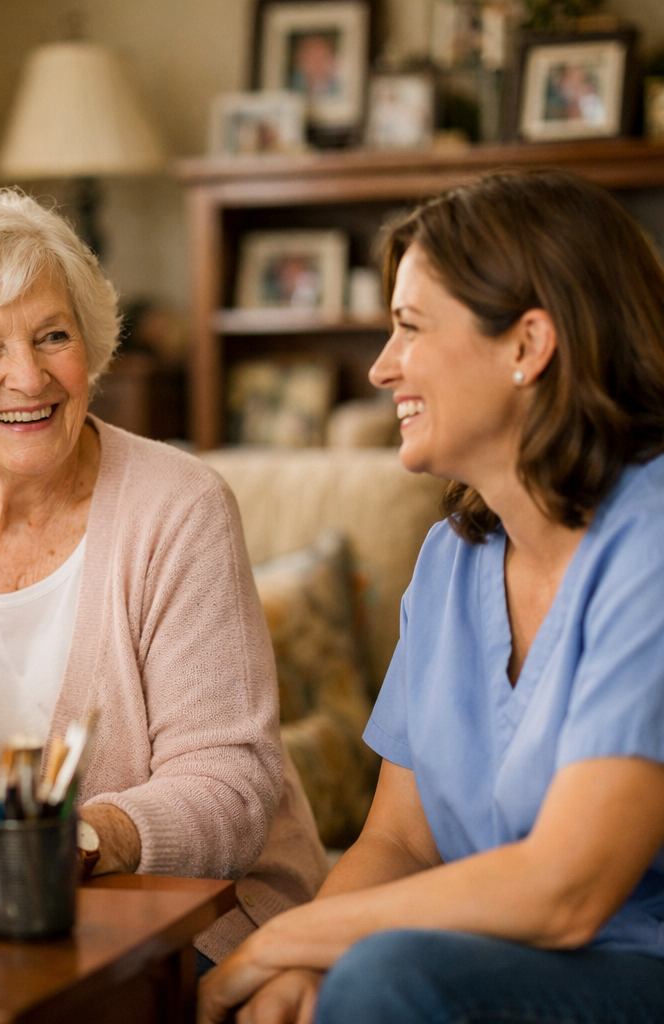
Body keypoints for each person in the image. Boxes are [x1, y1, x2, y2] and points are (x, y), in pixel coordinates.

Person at [0, 189, 327, 966]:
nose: (30, 377)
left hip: (183, 927)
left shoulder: (180, 508)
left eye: (52, 336)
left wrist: (71, 845)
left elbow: (230, 787)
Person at [198, 169, 664, 1022]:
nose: (381, 368)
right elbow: (401, 840)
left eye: (411, 328)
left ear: (528, 345)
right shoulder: (451, 560)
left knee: (382, 981)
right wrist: (310, 961)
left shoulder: (653, 542)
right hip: (485, 961)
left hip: (633, 965)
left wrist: (284, 941)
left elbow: (569, 889)